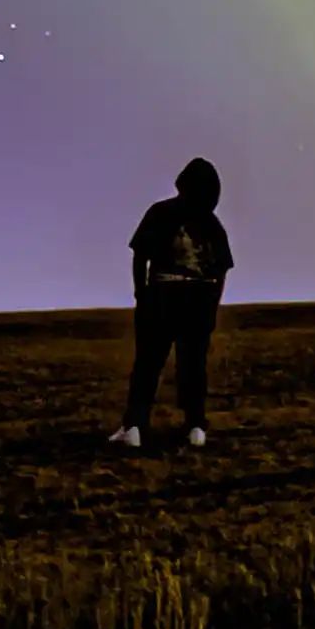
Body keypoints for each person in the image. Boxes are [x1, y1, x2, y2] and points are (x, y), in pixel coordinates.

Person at [108, 156, 232, 454]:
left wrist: (142, 295)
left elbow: (140, 256)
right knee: (193, 366)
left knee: (148, 364)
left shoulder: (160, 212)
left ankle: (135, 426)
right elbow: (222, 269)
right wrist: (212, 305)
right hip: (199, 296)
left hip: (162, 293)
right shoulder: (211, 223)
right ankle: (195, 426)